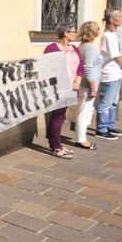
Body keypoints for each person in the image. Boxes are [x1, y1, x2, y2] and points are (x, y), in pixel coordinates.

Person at [43, 23, 84, 158]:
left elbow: (81, 66)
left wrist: (77, 81)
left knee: (62, 116)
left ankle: (56, 143)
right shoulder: (52, 48)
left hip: (73, 87)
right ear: (65, 32)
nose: (76, 34)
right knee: (58, 116)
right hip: (59, 89)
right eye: (73, 31)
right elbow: (47, 68)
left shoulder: (74, 49)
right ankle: (56, 146)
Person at [95, 8, 122, 140]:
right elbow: (116, 56)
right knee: (106, 102)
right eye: (119, 16)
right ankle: (101, 128)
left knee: (114, 102)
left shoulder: (113, 34)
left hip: (116, 73)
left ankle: (110, 125)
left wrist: (121, 70)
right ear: (111, 19)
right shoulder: (108, 36)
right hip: (109, 73)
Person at [75, 21, 101, 149]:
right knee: (84, 111)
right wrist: (93, 87)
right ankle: (81, 139)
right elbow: (88, 68)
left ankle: (81, 137)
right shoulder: (90, 48)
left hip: (85, 83)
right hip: (87, 84)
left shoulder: (83, 45)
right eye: (98, 29)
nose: (99, 32)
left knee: (85, 110)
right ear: (93, 32)